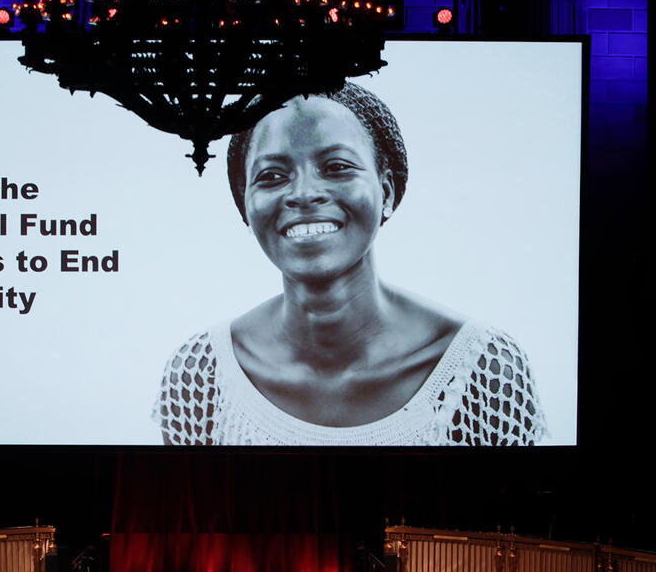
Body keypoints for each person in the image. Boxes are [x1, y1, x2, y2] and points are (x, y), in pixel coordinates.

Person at [153, 82, 546, 446]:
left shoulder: (481, 368)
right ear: (246, 205)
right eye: (272, 175)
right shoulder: (201, 375)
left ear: (387, 191)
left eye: (337, 167)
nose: (304, 194)